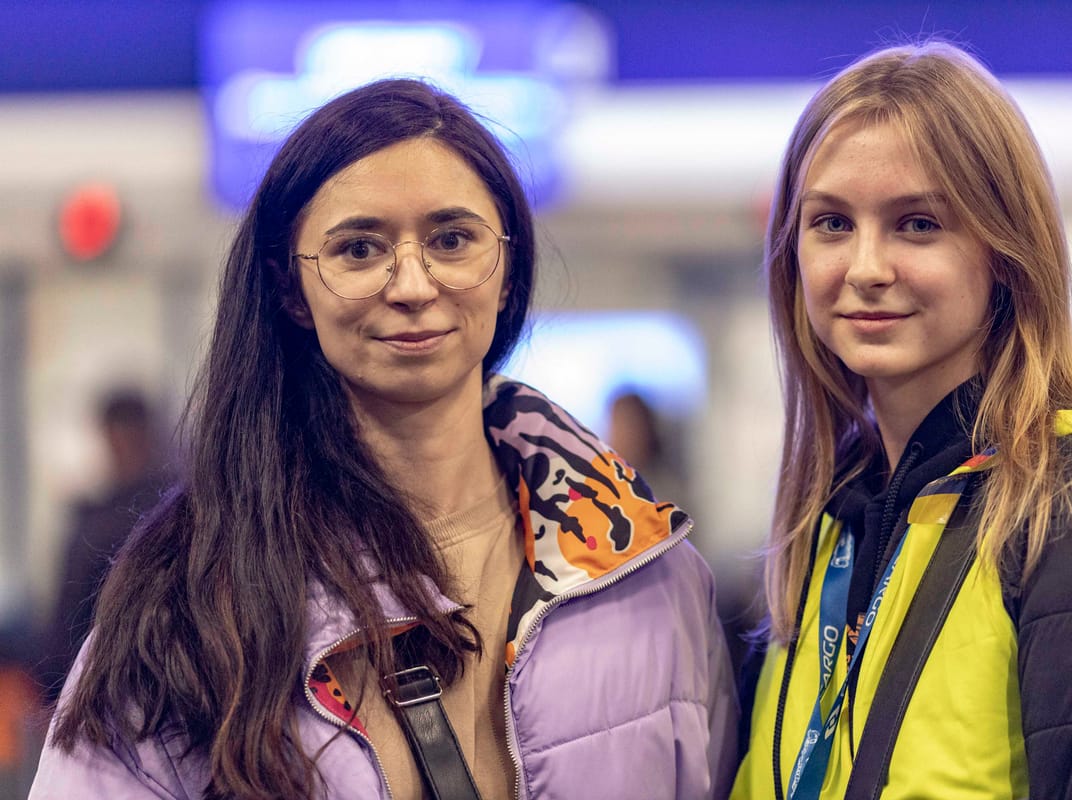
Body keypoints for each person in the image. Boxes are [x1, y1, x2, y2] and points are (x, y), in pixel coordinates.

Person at [31, 79, 737, 799]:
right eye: (360, 248)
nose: (411, 284)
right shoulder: (189, 599)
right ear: (289, 289)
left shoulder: (644, 571)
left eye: (452, 239)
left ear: (507, 265)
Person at [733, 41, 1072, 799]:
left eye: (917, 224)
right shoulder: (836, 521)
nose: (866, 268)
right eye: (831, 224)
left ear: (1006, 252)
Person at [39, 388, 167, 704]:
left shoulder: (96, 524)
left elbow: (61, 631)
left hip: (118, 681)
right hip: (114, 680)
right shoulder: (171, 508)